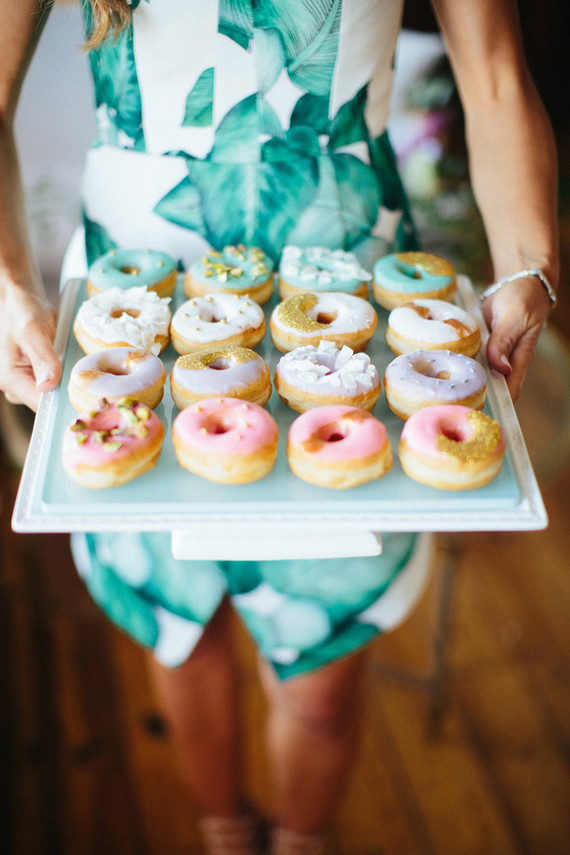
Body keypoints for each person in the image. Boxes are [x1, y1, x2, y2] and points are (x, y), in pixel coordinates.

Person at [0, 2, 559, 854]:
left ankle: (304, 839)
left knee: (323, 669)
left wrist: (531, 269)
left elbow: (492, 76)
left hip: (356, 294)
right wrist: (7, 287)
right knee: (182, 630)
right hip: (126, 300)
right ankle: (223, 829)